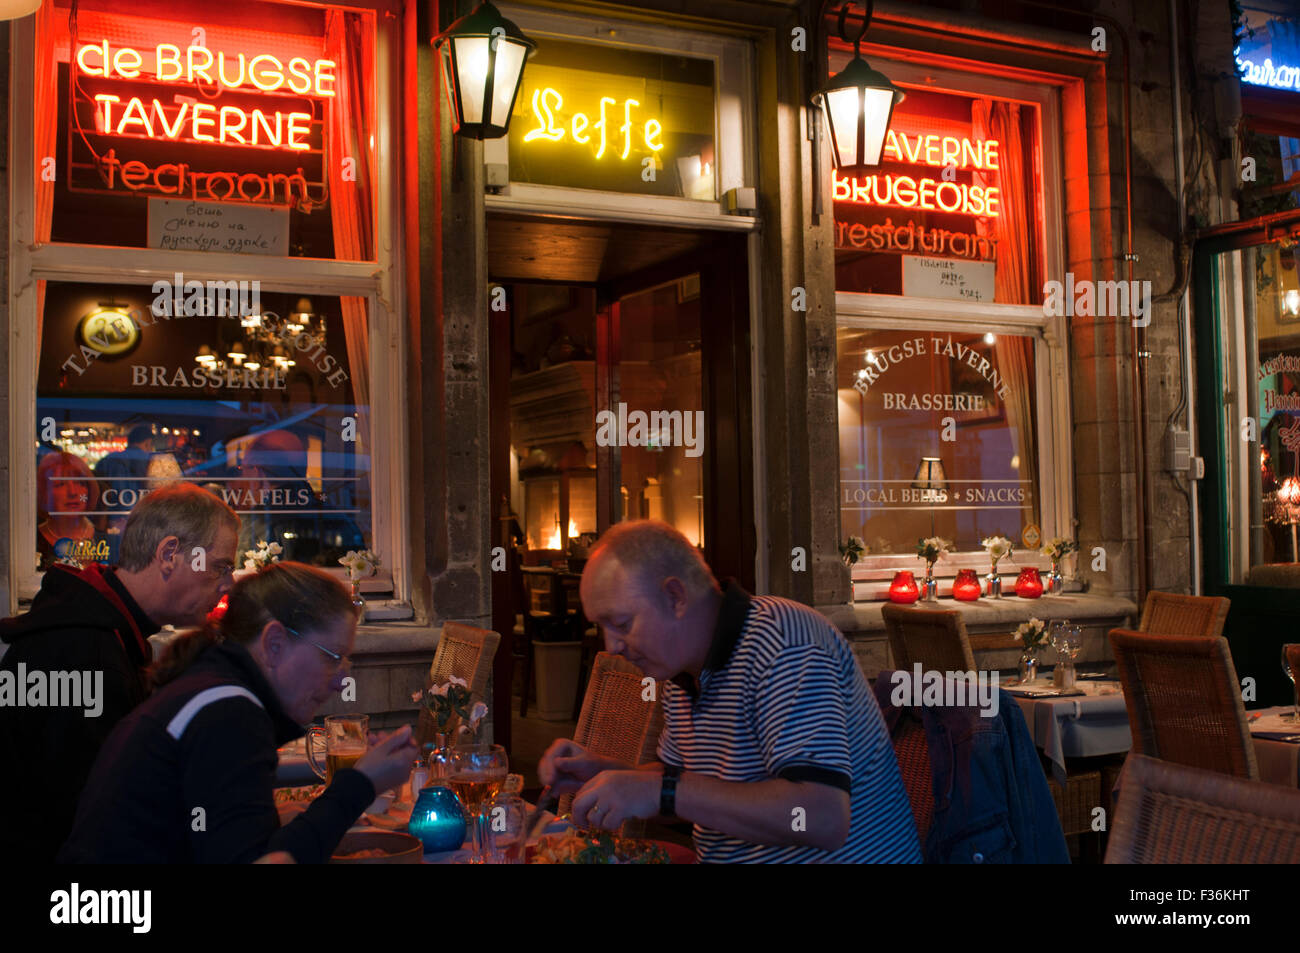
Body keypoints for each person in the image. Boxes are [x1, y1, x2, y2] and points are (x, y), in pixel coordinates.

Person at [539, 520, 922, 863]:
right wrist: (602, 773)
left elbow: (822, 817)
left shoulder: (784, 642)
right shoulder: (683, 670)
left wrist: (660, 790)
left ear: (675, 597)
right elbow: (684, 784)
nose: (611, 646)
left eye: (621, 623)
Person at [59, 563, 417, 863]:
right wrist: (361, 785)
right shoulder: (228, 713)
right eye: (332, 657)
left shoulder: (212, 691)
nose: (342, 681)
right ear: (274, 643)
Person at [0, 483, 240, 862]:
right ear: (169, 554)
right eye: (220, 566)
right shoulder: (82, 648)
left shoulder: (110, 628)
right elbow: (97, 818)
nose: (229, 583)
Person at [36, 451, 101, 570]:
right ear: (44, 493)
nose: (72, 492)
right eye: (60, 484)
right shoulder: (33, 542)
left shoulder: (106, 540)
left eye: (79, 483)